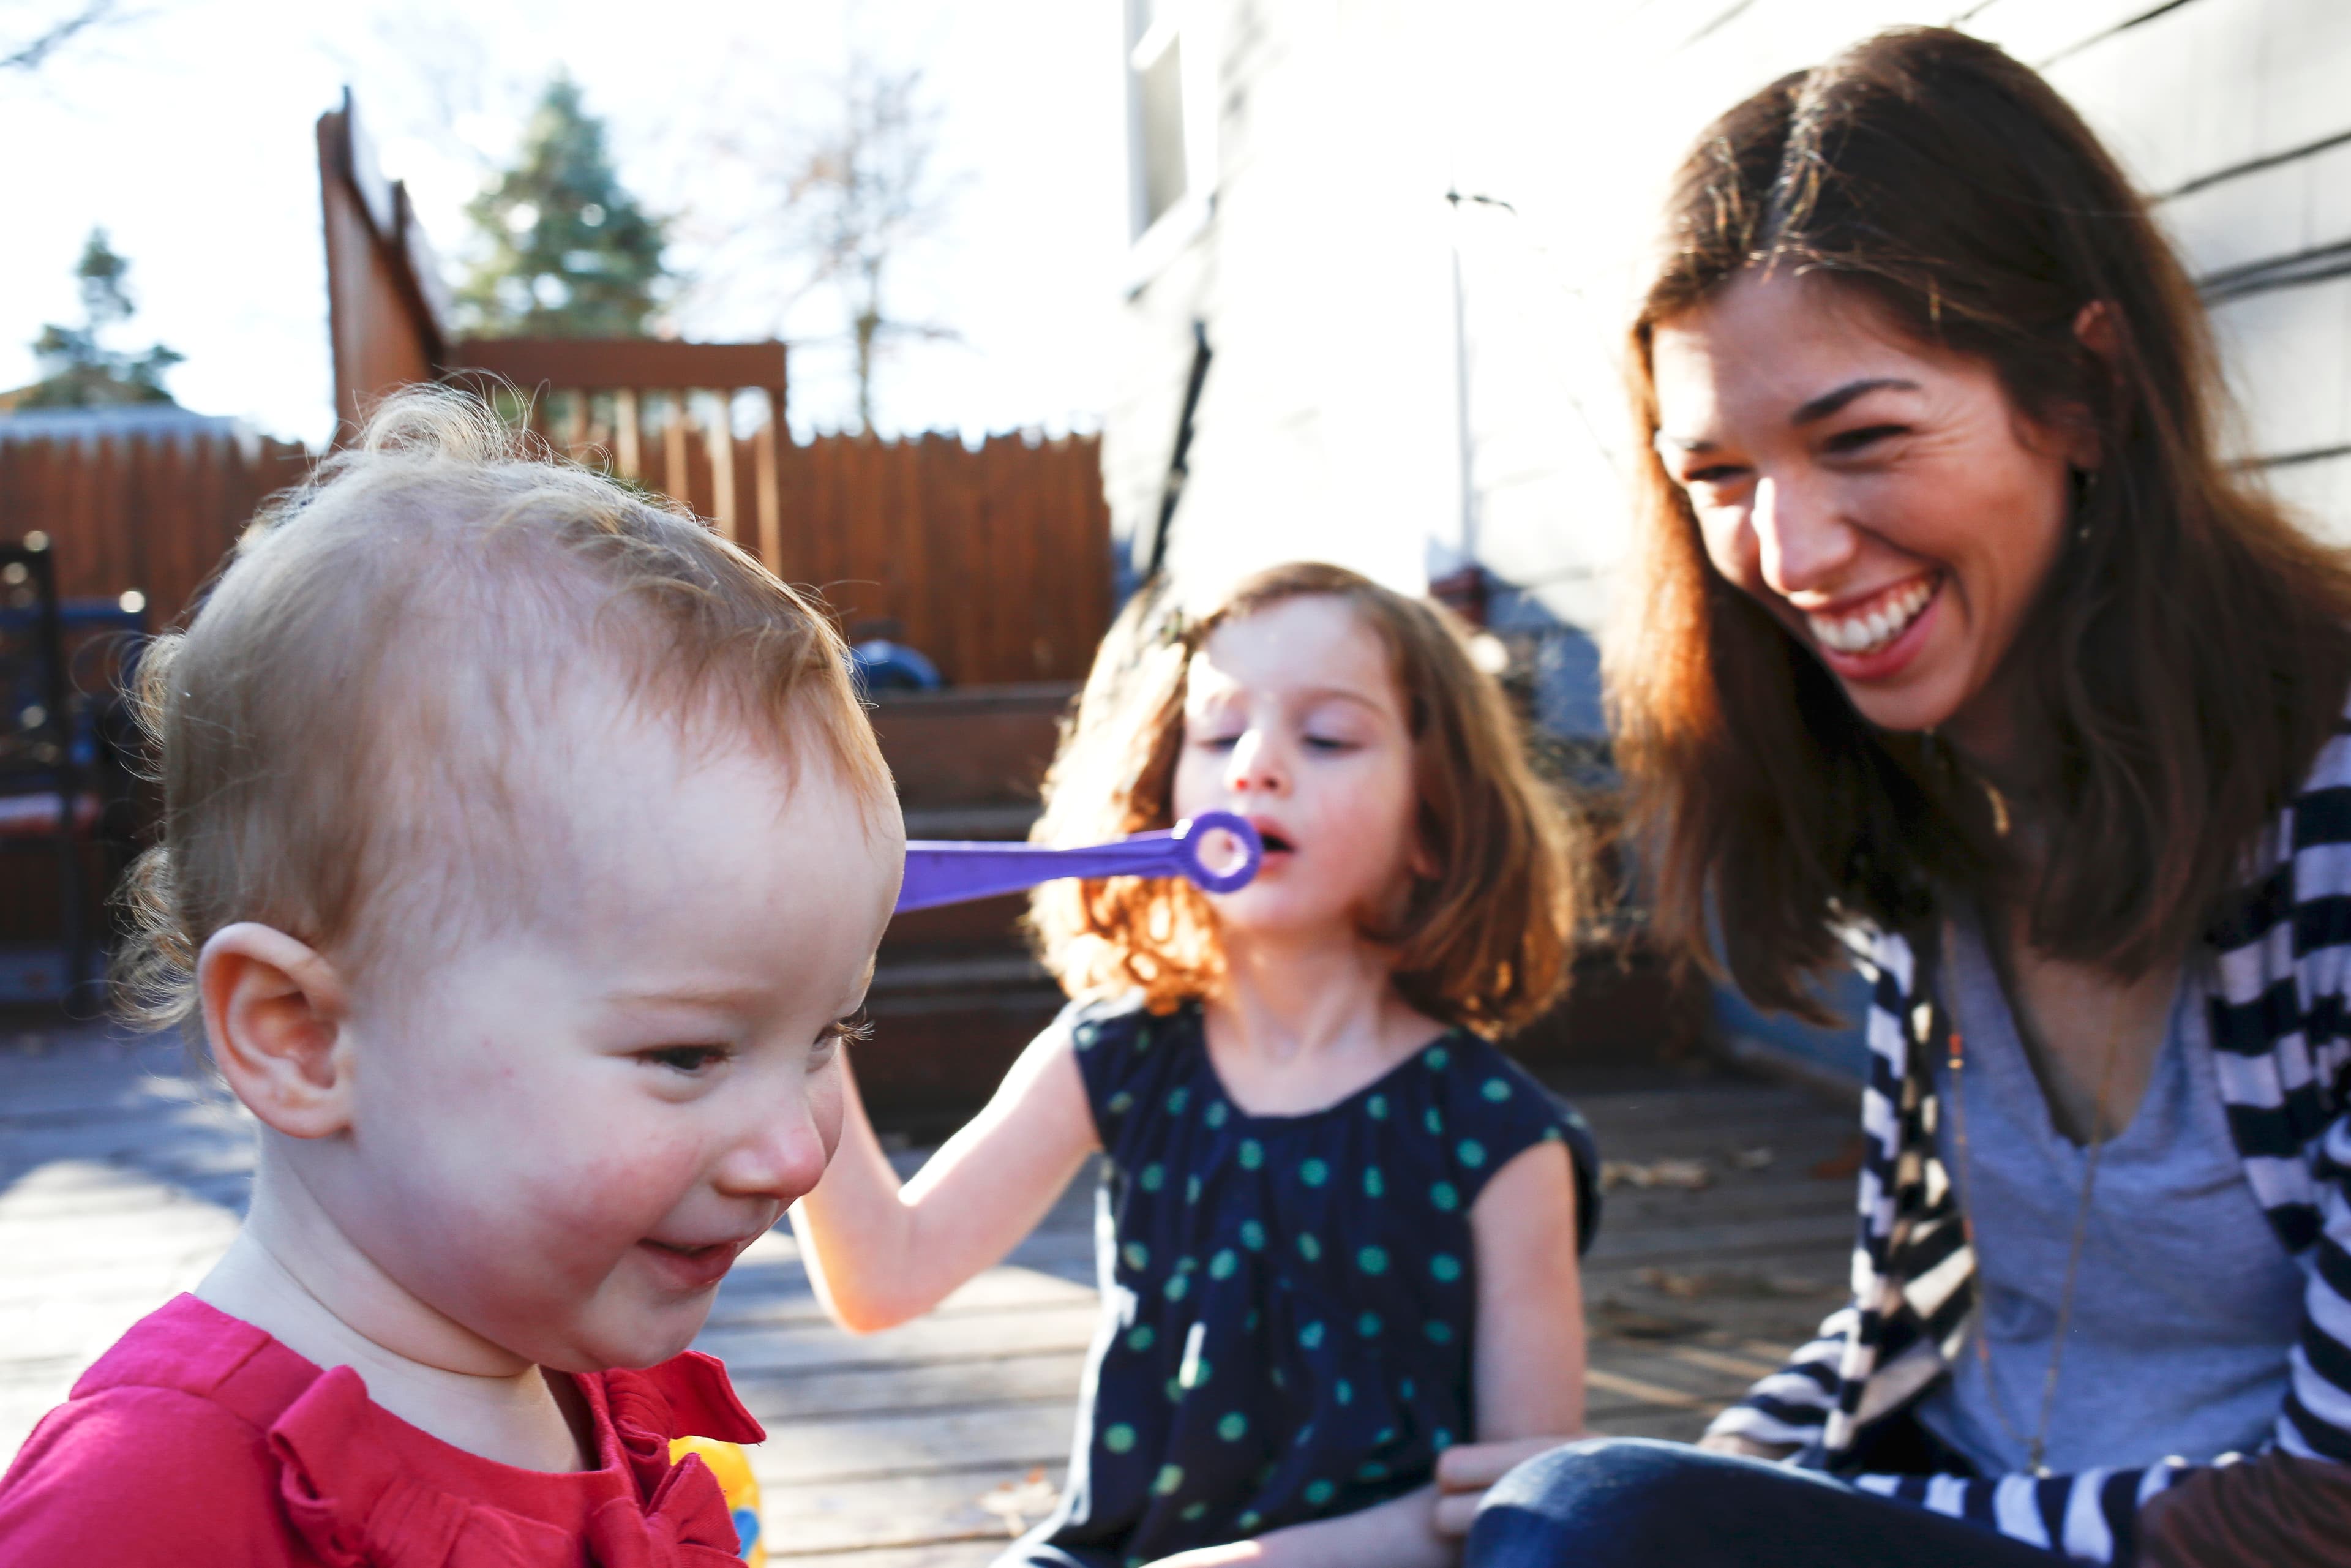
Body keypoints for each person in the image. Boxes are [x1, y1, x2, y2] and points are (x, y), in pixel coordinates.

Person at [1459, 25, 2351, 1568]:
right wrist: (1723, 1465)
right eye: (1720, 476)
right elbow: (1921, 1319)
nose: (1788, 554)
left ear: (2085, 389)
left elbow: (2317, 1511)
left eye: (1862, 437)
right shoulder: (1926, 824)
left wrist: (1741, 1519)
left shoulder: (2329, 814)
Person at [0, 390, 905, 1564]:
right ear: (302, 1036)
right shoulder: (153, 1505)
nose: (796, 1154)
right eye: (688, 1052)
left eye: (829, 1033)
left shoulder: (589, 1399)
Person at [792, 561, 1597, 1568]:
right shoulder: (1119, 1055)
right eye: (1218, 734)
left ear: (1434, 824)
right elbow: (882, 1276)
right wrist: (801, 1017)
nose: (1255, 763)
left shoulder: (1498, 1138)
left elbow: (1521, 1498)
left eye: (1328, 735)